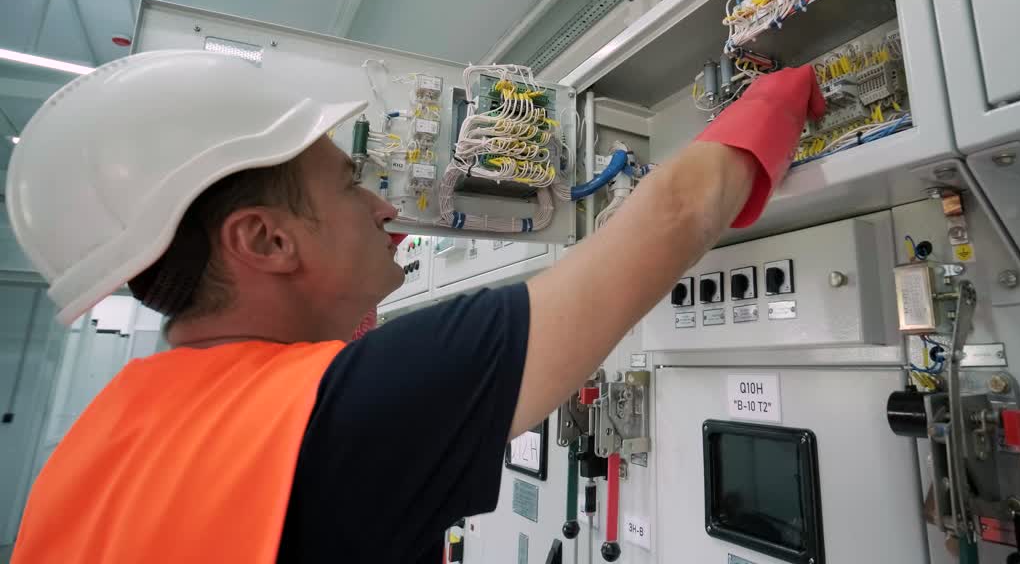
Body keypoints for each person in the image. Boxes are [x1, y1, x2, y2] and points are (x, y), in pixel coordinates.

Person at [6, 50, 823, 563]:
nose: (388, 209)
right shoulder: (338, 410)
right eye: (351, 183)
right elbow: (677, 214)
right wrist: (778, 98)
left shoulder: (98, 441)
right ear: (265, 241)